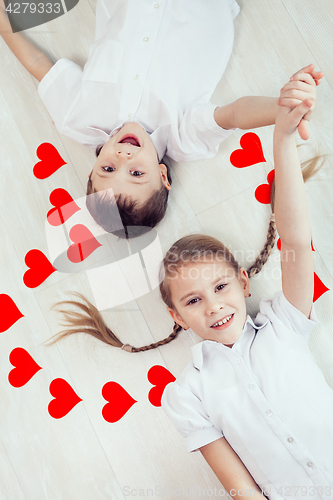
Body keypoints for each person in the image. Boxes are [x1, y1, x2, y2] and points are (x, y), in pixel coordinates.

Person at [43, 68, 332, 498]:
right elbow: (240, 489)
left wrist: (282, 138)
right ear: (175, 315)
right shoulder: (187, 395)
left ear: (243, 283)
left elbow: (294, 236)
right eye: (194, 300)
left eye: (220, 288)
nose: (213, 307)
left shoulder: (284, 324)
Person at [0, 0, 322, 234]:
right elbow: (234, 114)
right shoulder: (183, 138)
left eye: (109, 168)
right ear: (163, 176)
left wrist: (3, 21)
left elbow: (39, 63)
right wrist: (281, 107)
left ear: (93, 168)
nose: (123, 156)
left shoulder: (78, 119)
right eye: (137, 173)